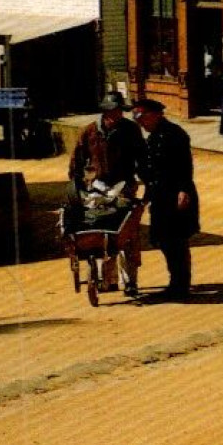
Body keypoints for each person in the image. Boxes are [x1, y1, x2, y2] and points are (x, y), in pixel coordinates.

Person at [65, 92, 146, 298]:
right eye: (114, 111)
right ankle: (107, 280)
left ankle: (130, 282)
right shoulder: (89, 132)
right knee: (101, 233)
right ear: (106, 112)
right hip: (97, 189)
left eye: (120, 111)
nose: (117, 115)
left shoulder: (131, 130)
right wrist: (79, 187)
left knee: (127, 236)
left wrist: (144, 181)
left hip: (125, 187)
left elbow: (142, 158)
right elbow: (76, 164)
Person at [131, 97, 200, 301]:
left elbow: (184, 166)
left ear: (155, 114)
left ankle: (180, 286)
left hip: (176, 195)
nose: (139, 122)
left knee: (177, 241)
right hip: (160, 196)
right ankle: (176, 282)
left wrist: (183, 190)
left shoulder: (174, 134)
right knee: (163, 240)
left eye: (141, 116)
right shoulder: (152, 137)